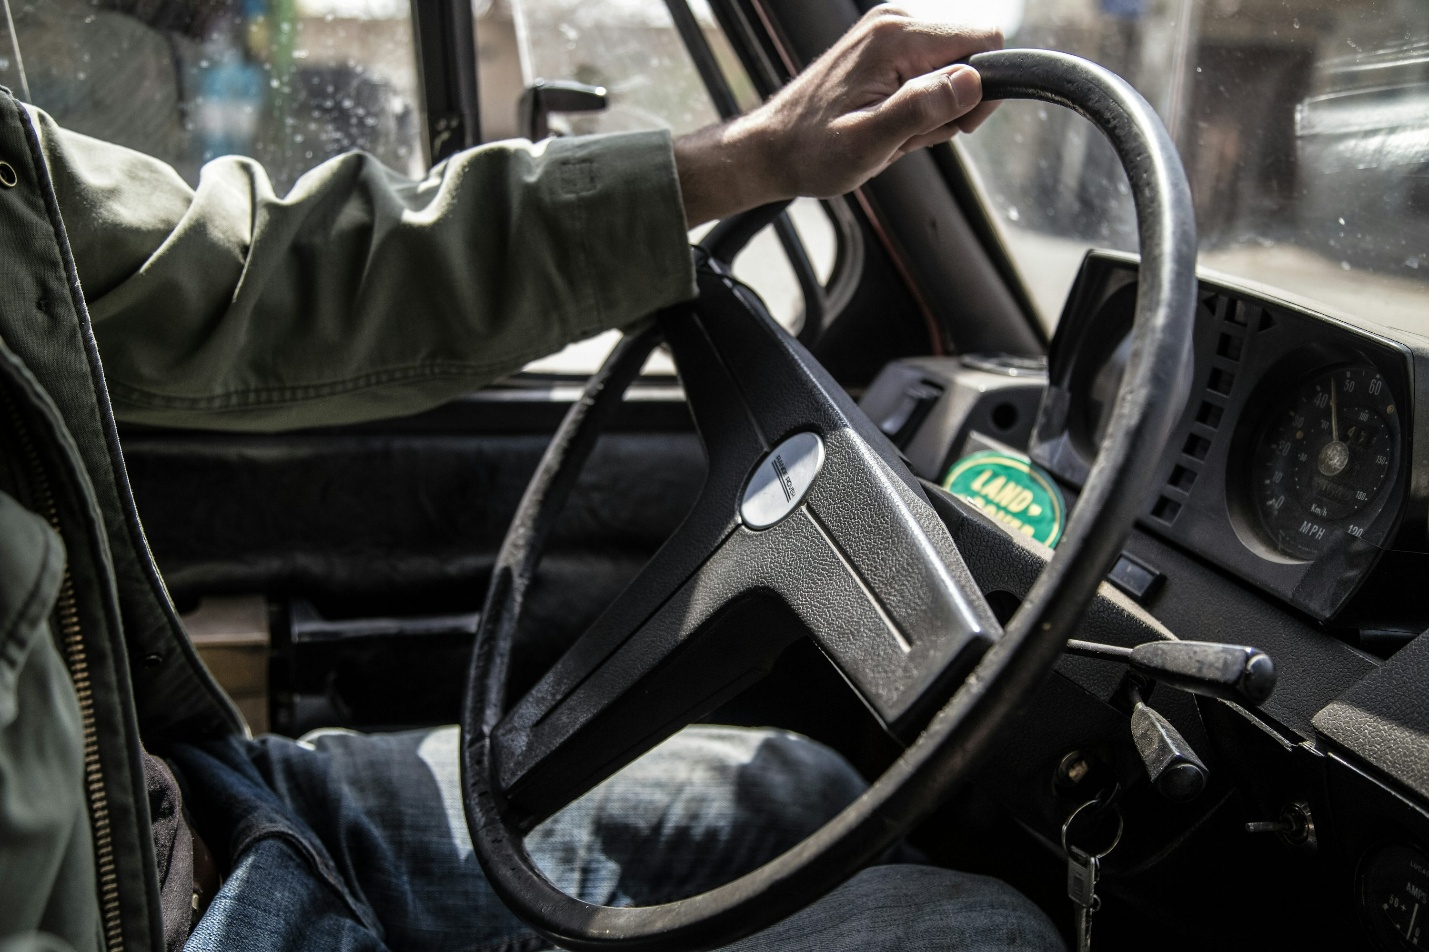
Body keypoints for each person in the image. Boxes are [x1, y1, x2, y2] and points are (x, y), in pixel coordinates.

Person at [0, 6, 1063, 951]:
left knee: (801, 785)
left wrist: (745, 159)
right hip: (169, 921)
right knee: (986, 930)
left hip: (193, 810)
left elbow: (258, 276)